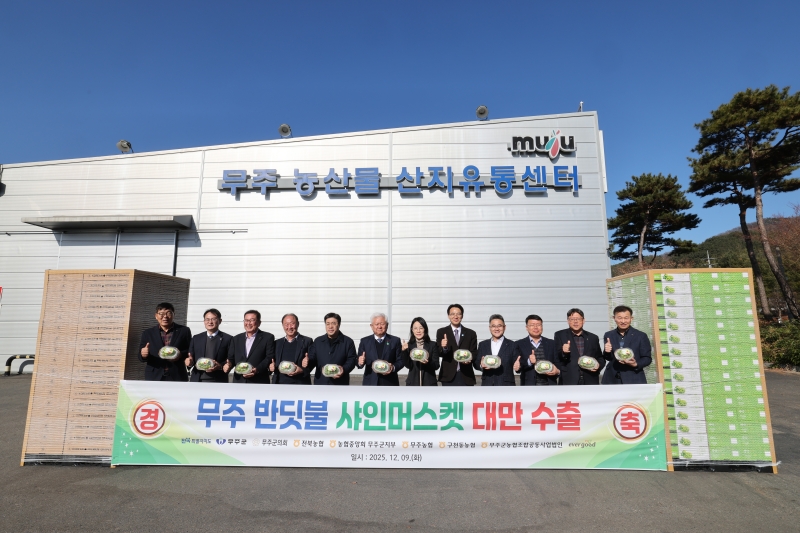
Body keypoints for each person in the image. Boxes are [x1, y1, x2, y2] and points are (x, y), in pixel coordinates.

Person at [138, 302, 192, 381]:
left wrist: (180, 355)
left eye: (168, 313)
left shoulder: (184, 331)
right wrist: (143, 354)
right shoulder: (148, 333)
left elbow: (190, 350)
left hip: (177, 374)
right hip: (154, 375)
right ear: (156, 316)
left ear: (173, 315)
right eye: (161, 313)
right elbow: (140, 356)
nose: (165, 316)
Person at [601, 305, 652, 385]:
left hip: (633, 377)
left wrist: (635, 364)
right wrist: (607, 352)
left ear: (631, 318)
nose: (623, 321)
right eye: (620, 318)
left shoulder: (641, 336)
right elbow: (609, 358)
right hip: (612, 378)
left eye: (626, 318)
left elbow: (647, 358)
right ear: (614, 318)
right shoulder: (609, 335)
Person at [553, 308, 604, 385]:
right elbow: (557, 357)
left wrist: (598, 366)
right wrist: (564, 352)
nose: (575, 321)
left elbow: (600, 358)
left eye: (578, 319)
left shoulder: (593, 337)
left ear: (583, 320)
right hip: (569, 380)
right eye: (572, 319)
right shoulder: (560, 335)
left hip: (590, 379)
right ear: (568, 321)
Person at [223, 310, 275, 384]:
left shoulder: (267, 337)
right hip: (239, 381)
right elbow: (231, 358)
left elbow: (269, 357)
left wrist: (257, 369)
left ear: (259, 322)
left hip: (259, 380)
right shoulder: (236, 339)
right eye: (246, 320)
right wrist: (229, 364)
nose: (248, 323)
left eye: (252, 320)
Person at [307, 312, 357, 385]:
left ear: (339, 325)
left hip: (340, 383)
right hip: (321, 382)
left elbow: (352, 360)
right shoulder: (318, 341)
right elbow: (312, 358)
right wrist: (308, 361)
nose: (330, 327)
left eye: (333, 323)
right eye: (328, 324)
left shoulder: (348, 342)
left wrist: (343, 369)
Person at [186, 308, 233, 383]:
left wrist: (220, 366)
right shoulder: (196, 338)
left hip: (218, 379)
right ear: (204, 321)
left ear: (220, 321)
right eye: (207, 319)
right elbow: (190, 357)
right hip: (197, 379)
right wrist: (189, 362)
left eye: (213, 319)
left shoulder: (228, 339)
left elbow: (231, 359)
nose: (210, 322)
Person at [436, 304, 478, 386]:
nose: (455, 316)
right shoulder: (442, 332)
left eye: (458, 314)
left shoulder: (471, 333)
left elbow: (474, 352)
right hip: (448, 376)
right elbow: (439, 353)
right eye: (452, 314)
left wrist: (469, 359)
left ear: (462, 316)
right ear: (448, 316)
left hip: (466, 375)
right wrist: (444, 347)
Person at [357, 313, 404, 386]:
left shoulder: (395, 341)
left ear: (387, 325)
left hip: (389, 382)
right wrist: (360, 362)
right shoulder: (364, 341)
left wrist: (393, 367)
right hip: (370, 383)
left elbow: (401, 360)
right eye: (376, 324)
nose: (379, 327)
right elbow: (358, 361)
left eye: (382, 324)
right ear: (371, 326)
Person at [515, 314, 560, 386]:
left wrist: (557, 371)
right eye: (532, 325)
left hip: (549, 385)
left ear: (542, 327)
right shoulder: (519, 344)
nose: (535, 327)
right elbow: (518, 368)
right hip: (529, 386)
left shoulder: (552, 343)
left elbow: (558, 363)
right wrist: (529, 361)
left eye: (538, 325)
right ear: (526, 327)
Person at [475, 314, 520, 386]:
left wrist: (518, 366)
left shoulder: (512, 345)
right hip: (487, 384)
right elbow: (476, 363)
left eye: (499, 326)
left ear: (504, 327)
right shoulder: (483, 344)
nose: (496, 329)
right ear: (490, 328)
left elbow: (518, 363)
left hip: (506, 385)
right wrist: (481, 365)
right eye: (493, 326)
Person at [270, 313, 313, 385]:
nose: (289, 327)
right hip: (279, 384)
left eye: (292, 323)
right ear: (283, 326)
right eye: (286, 324)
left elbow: (314, 361)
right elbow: (271, 360)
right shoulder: (277, 343)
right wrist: (271, 366)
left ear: (298, 324)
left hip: (300, 383)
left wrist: (302, 370)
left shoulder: (307, 341)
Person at [400, 317, 441, 386]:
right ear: (412, 330)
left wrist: (428, 362)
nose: (418, 331)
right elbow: (408, 365)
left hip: (429, 384)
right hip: (412, 383)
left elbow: (436, 366)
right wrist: (404, 351)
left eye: (421, 328)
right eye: (415, 328)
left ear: (425, 329)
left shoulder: (433, 345)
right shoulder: (409, 345)